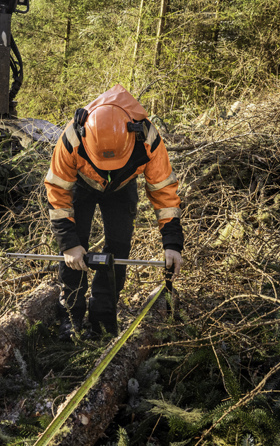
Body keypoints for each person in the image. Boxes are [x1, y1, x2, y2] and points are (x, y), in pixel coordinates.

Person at [44, 84, 184, 340]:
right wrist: (69, 244)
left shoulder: (146, 136)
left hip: (122, 185)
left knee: (118, 247)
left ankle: (103, 318)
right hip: (82, 184)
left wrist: (172, 243)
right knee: (74, 248)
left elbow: (164, 191)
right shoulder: (73, 135)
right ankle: (70, 317)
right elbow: (57, 190)